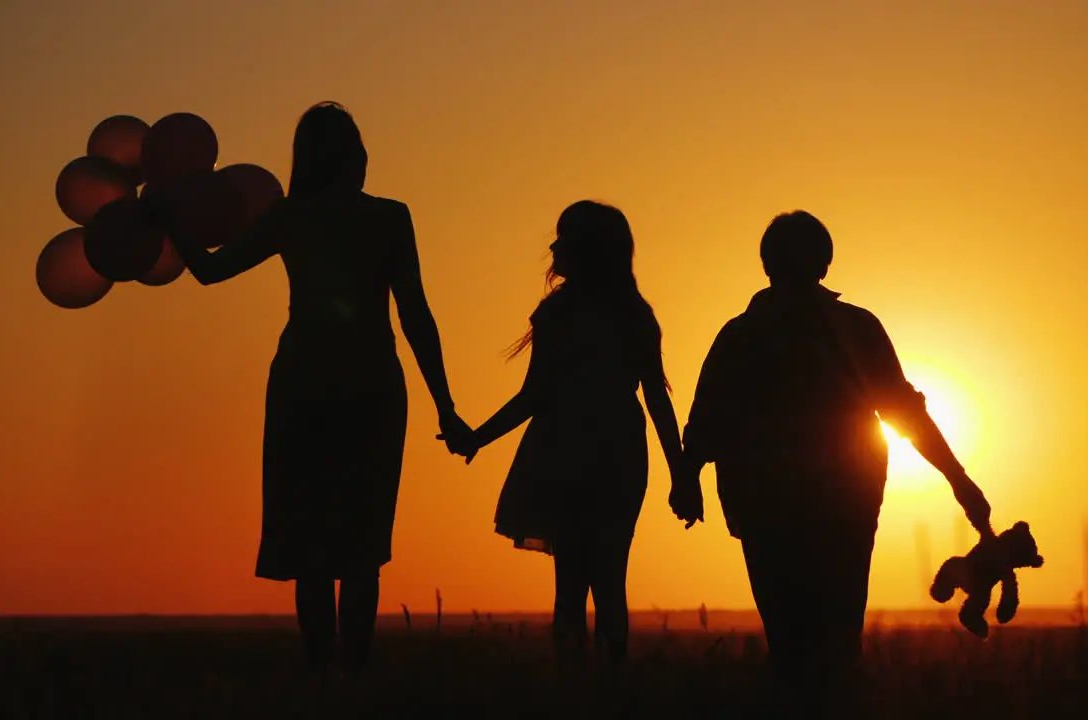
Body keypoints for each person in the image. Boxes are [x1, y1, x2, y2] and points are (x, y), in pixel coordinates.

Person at [155, 102, 474, 676]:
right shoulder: (389, 217)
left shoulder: (290, 216)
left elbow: (208, 271)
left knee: (310, 547)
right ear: (355, 156)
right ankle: (352, 675)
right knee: (360, 544)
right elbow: (416, 315)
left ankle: (320, 677)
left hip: (303, 383)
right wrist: (445, 406)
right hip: (372, 384)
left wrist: (168, 220)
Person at [672, 210, 991, 709]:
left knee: (795, 632)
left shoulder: (747, 332)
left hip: (788, 502)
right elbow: (904, 411)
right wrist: (959, 480)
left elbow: (707, 420)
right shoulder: (833, 328)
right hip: (822, 502)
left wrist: (688, 478)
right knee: (833, 632)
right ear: (824, 263)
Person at [448, 200, 689, 667]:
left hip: (566, 452)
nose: (554, 246)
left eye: (564, 238)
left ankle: (575, 691)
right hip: (619, 452)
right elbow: (657, 401)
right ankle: (609, 691)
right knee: (610, 583)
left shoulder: (559, 313)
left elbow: (532, 397)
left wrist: (478, 437)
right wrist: (680, 475)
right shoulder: (634, 313)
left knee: (572, 584)